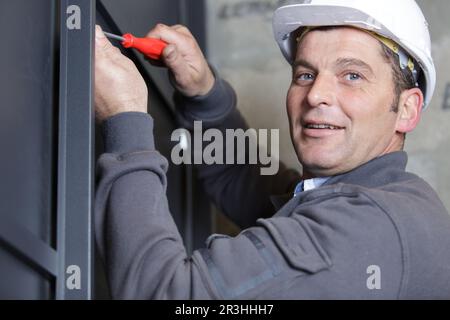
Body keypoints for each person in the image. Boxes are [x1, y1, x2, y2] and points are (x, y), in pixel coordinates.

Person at [94, 0, 450, 299]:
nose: (315, 95)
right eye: (305, 74)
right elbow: (240, 177)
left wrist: (124, 118)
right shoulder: (366, 195)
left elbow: (166, 295)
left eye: (352, 75)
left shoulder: (369, 226)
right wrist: (202, 90)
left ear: (407, 109)